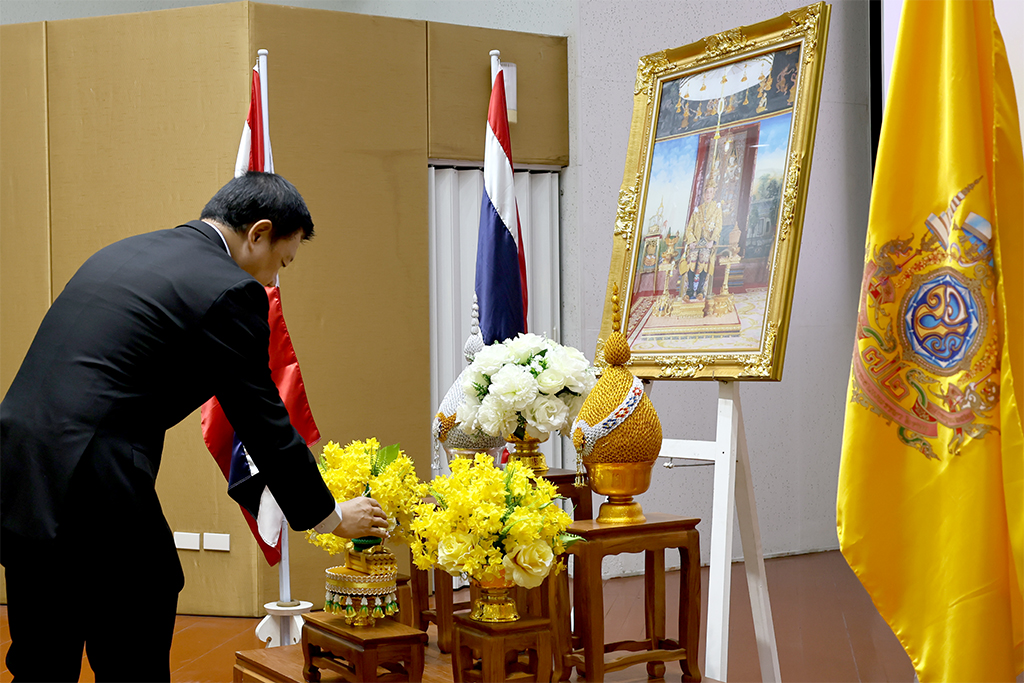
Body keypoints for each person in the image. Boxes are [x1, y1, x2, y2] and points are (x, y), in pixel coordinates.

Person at [0, 172, 388, 682]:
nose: (274, 282)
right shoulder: (229, 290)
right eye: (282, 262)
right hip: (94, 470)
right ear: (258, 233)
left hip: (21, 462)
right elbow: (263, 421)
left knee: (42, 650)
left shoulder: (124, 252)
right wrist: (331, 517)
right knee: (139, 619)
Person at [680, 181, 724, 302]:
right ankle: (689, 291)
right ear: (704, 195)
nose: (708, 195)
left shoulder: (717, 208)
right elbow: (689, 228)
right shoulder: (697, 210)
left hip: (707, 242)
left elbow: (718, 227)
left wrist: (712, 241)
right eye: (706, 192)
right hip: (696, 242)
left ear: (713, 194)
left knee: (704, 259)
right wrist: (691, 241)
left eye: (710, 192)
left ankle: (700, 290)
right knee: (691, 259)